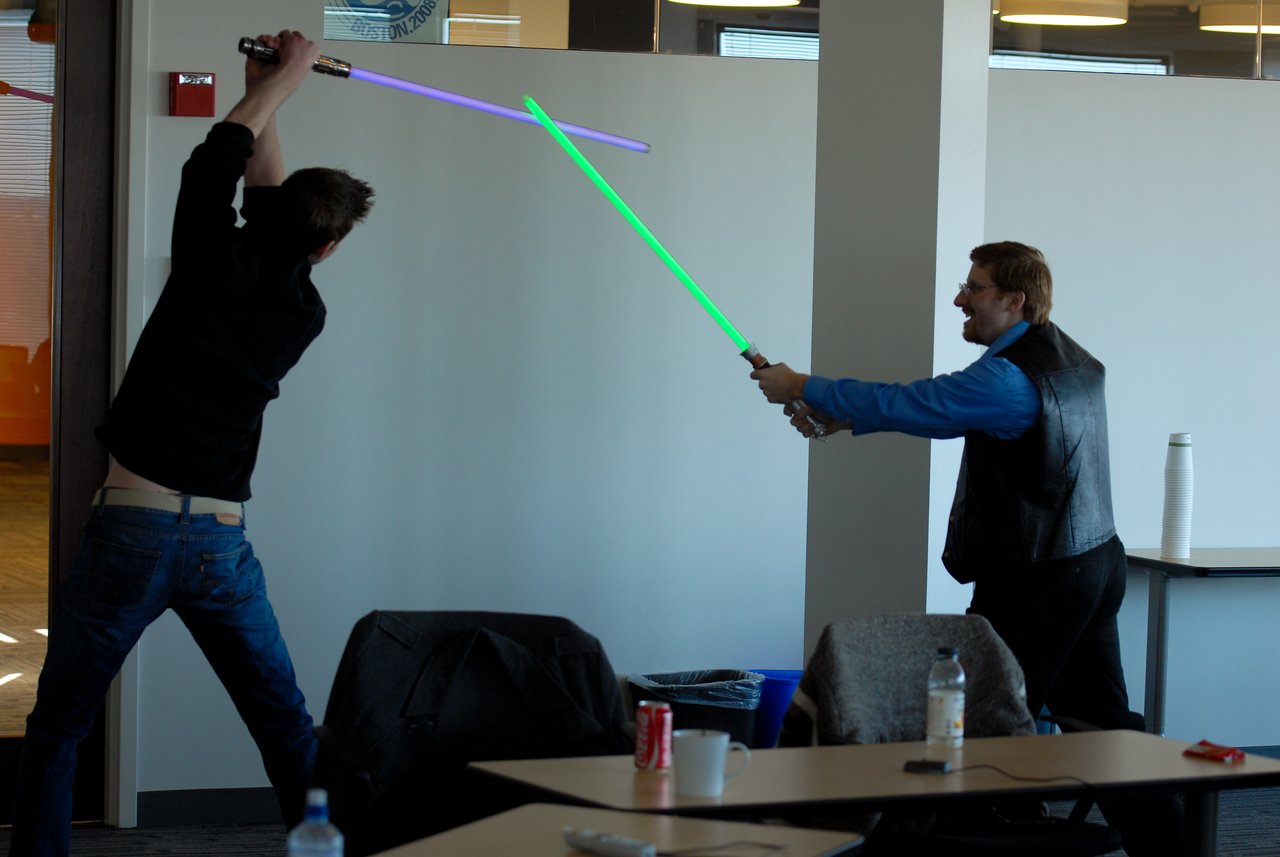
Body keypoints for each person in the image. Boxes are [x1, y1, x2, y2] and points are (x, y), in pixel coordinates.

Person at [9, 30, 374, 857]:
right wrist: (273, 88)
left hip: (130, 532)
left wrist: (272, 85)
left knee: (60, 724)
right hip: (218, 542)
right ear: (324, 249)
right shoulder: (302, 311)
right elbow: (265, 199)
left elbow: (214, 163)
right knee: (284, 721)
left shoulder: (210, 259)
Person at [751, 241, 1182, 855]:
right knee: (1104, 725)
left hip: (1041, 575)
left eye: (973, 288)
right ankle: (1165, 847)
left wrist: (803, 384)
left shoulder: (1008, 378)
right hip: (1089, 560)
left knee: (990, 717)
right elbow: (940, 411)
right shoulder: (1072, 358)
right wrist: (841, 418)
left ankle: (998, 836)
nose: (960, 299)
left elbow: (921, 401)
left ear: (1014, 300)